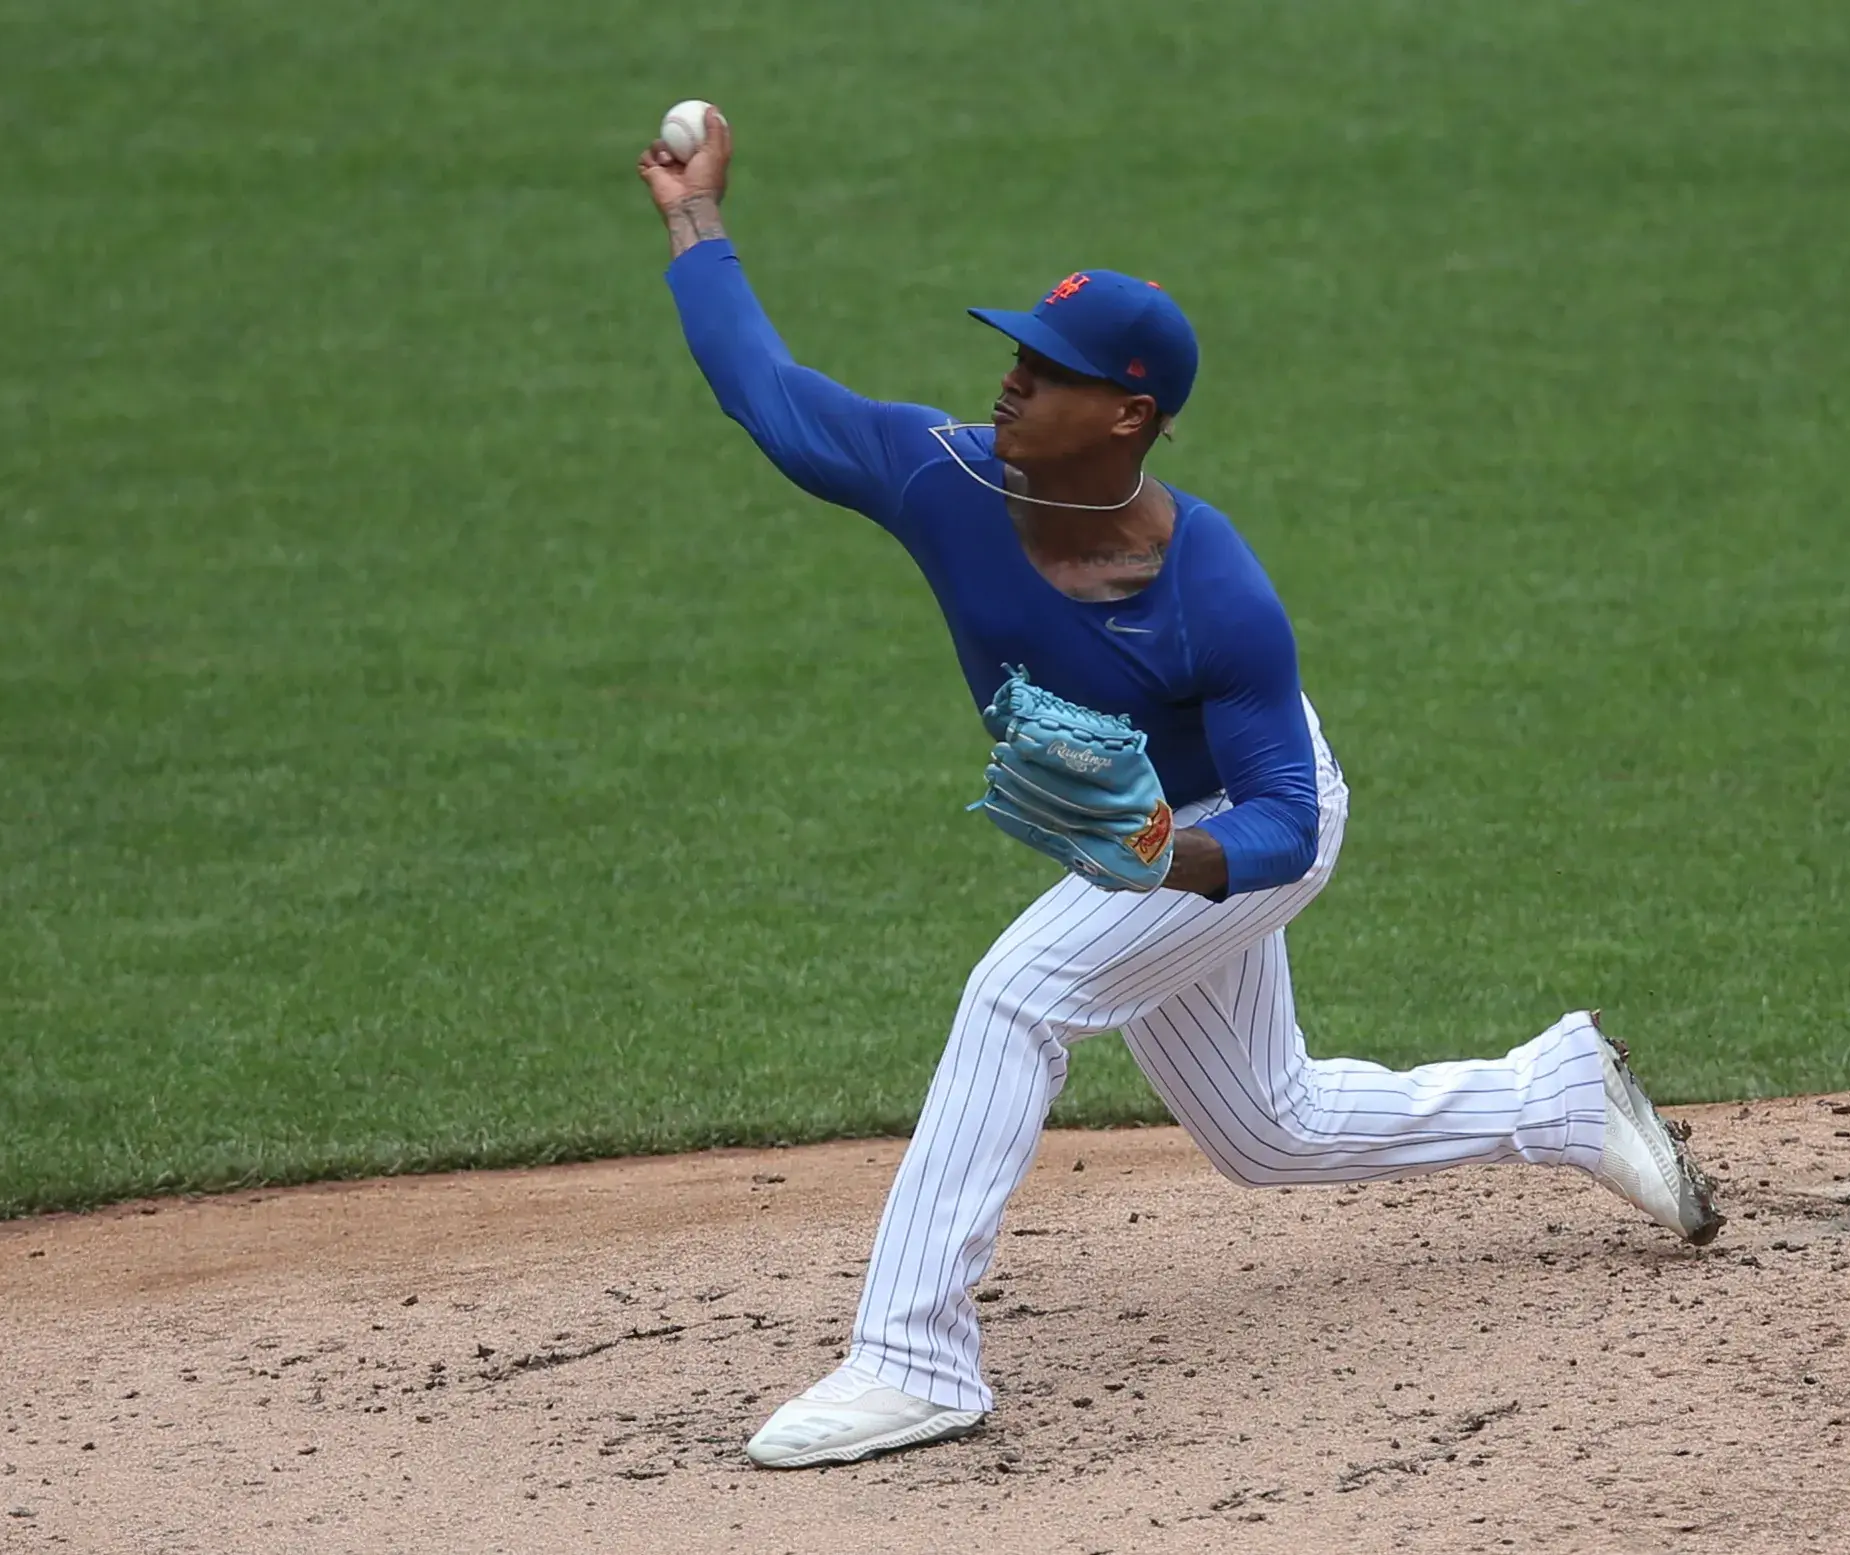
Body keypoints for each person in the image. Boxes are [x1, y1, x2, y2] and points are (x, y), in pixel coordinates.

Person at [638, 108, 1722, 1472]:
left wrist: (1168, 856)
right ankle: (1558, 1091)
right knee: (1272, 1127)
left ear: (1131, 414)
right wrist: (696, 219)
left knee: (1018, 993)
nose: (1012, 382)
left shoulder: (1217, 592)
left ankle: (914, 1353)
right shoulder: (940, 476)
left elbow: (1278, 817)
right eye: (1020, 353)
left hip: (1244, 829)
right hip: (1153, 842)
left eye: (1052, 370)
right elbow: (771, 394)